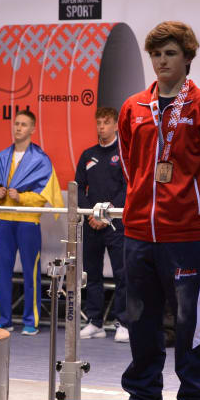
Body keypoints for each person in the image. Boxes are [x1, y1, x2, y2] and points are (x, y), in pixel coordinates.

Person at [109, 21, 200, 400]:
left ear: (187, 58)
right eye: (156, 55)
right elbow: (131, 166)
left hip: (187, 236)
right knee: (140, 319)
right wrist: (139, 205)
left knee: (190, 324)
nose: (161, 61)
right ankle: (144, 398)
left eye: (169, 54)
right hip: (138, 234)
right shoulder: (134, 108)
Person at [0, 110, 63, 335]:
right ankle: (3, 318)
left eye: (23, 124)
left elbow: (46, 194)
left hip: (28, 222)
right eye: (16, 123)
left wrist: (23, 198)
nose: (18, 128)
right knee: (2, 272)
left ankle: (31, 320)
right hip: (4, 220)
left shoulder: (40, 159)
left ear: (32, 129)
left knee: (31, 272)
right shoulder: (2, 156)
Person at [75, 106, 129, 343]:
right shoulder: (88, 155)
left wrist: (106, 214)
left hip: (116, 223)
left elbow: (129, 187)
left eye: (106, 122)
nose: (102, 127)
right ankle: (95, 322)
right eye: (99, 123)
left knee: (122, 274)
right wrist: (91, 213)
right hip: (91, 223)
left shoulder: (124, 154)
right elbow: (77, 187)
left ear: (116, 125)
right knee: (92, 274)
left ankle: (123, 323)